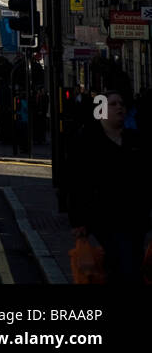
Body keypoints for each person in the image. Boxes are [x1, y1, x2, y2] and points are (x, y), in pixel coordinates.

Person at [67, 89, 151, 283]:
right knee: (126, 265)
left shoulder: (135, 140)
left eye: (121, 103)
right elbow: (76, 182)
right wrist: (78, 221)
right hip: (105, 216)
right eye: (113, 104)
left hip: (136, 217)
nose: (119, 107)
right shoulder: (88, 140)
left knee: (128, 264)